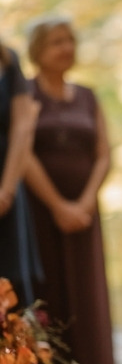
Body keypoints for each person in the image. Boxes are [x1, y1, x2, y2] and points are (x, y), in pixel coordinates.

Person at [23, 17, 118, 364]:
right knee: (47, 293)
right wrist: (58, 205)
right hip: (39, 214)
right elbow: (21, 153)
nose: (66, 48)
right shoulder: (24, 95)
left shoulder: (88, 97)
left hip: (85, 213)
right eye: (56, 42)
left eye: (70, 40)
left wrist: (83, 203)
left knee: (87, 292)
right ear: (37, 50)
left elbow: (104, 154)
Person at [0, 39, 42, 305]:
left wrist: (6, 190)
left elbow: (22, 127)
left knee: (10, 279)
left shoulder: (8, 58)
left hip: (7, 183)